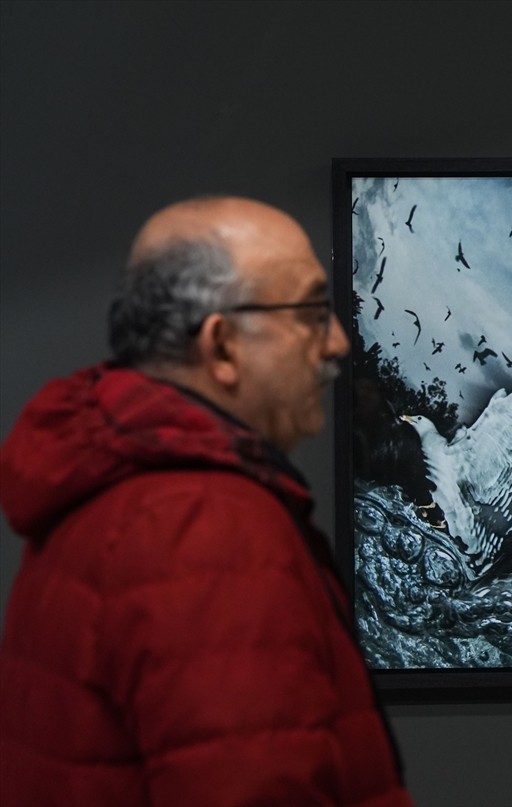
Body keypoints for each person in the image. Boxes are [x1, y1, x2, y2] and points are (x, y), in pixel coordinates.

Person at [0, 197, 415, 806]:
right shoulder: (202, 524)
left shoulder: (111, 488)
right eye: (310, 312)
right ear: (221, 346)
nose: (337, 343)